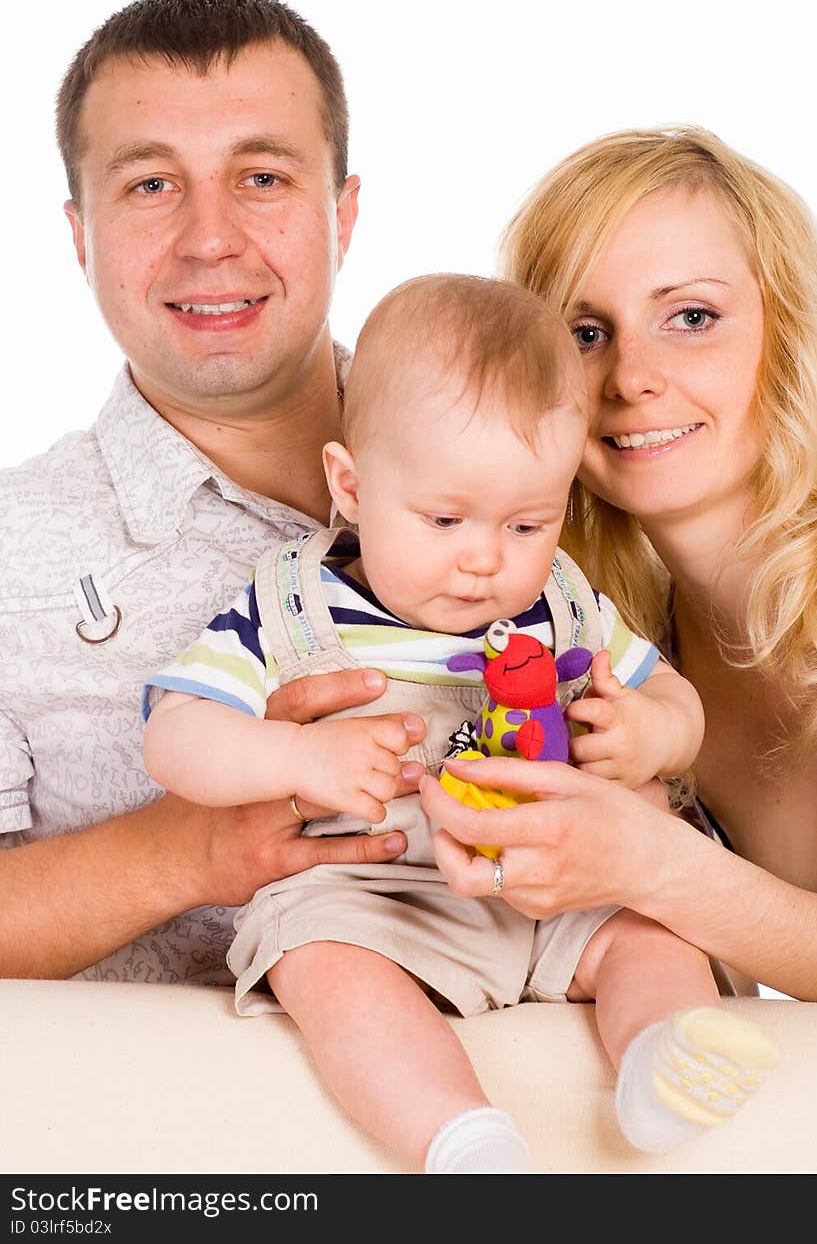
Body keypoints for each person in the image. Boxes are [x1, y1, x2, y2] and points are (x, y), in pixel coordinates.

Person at [142, 272, 779, 1172]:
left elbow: (674, 696)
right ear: (351, 485)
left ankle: (659, 1062)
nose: (485, 560)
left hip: (560, 891)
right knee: (318, 961)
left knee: (652, 934)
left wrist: (650, 733)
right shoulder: (292, 603)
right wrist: (291, 754)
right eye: (444, 518)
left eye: (528, 521)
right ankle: (460, 1136)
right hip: (377, 898)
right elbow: (174, 734)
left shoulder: (562, 600)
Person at [0, 0, 426, 985]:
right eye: (150, 185)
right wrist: (193, 847)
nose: (208, 239)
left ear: (343, 211)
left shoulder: (535, 457)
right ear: (78, 235)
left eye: (263, 177)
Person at [421, 126, 817, 1005]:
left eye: (693, 318)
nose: (632, 376)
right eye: (587, 333)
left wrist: (655, 866)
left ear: (789, 332)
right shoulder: (622, 644)